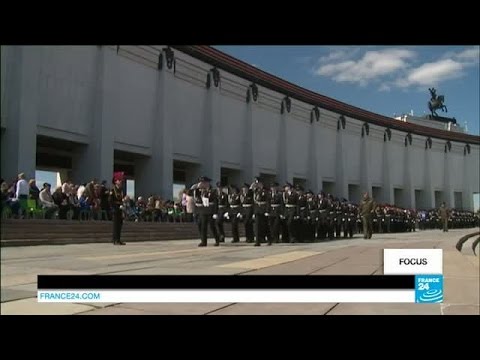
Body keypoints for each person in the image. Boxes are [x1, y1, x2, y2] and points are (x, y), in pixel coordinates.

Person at [109, 172, 125, 245]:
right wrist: (117, 206)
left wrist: (123, 204)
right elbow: (110, 201)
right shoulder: (112, 190)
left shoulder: (121, 190)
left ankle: (118, 239)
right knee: (115, 225)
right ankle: (115, 240)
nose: (121, 181)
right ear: (115, 181)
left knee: (120, 225)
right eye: (119, 180)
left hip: (120, 209)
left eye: (121, 180)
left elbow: (121, 200)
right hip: (115, 209)